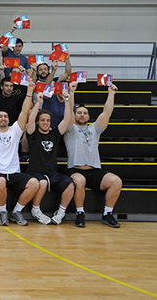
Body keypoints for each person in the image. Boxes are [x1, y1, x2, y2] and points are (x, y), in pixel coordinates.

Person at [0, 79, 39, 226]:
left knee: (34, 183)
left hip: (13, 172)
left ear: (8, 119)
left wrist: (30, 92)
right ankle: (3, 212)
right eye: (0, 116)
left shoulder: (15, 131)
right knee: (0, 181)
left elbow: (24, 112)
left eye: (5, 117)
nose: (3, 118)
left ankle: (16, 211)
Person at [65, 84, 123, 228]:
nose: (82, 115)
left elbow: (107, 113)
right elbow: (69, 111)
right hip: (76, 169)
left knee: (116, 181)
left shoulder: (95, 128)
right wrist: (71, 92)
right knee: (79, 181)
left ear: (89, 116)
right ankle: (80, 213)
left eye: (85, 113)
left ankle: (107, 214)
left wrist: (111, 94)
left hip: (94, 171)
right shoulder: (70, 128)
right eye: (79, 112)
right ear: (75, 115)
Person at [25, 82, 76, 225]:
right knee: (42, 183)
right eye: (42, 120)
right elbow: (30, 120)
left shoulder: (54, 134)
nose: (45, 122)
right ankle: (36, 210)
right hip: (35, 172)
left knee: (70, 184)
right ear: (38, 122)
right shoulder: (33, 134)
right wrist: (38, 102)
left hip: (52, 173)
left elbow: (67, 120)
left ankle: (61, 212)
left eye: (48, 120)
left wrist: (67, 100)